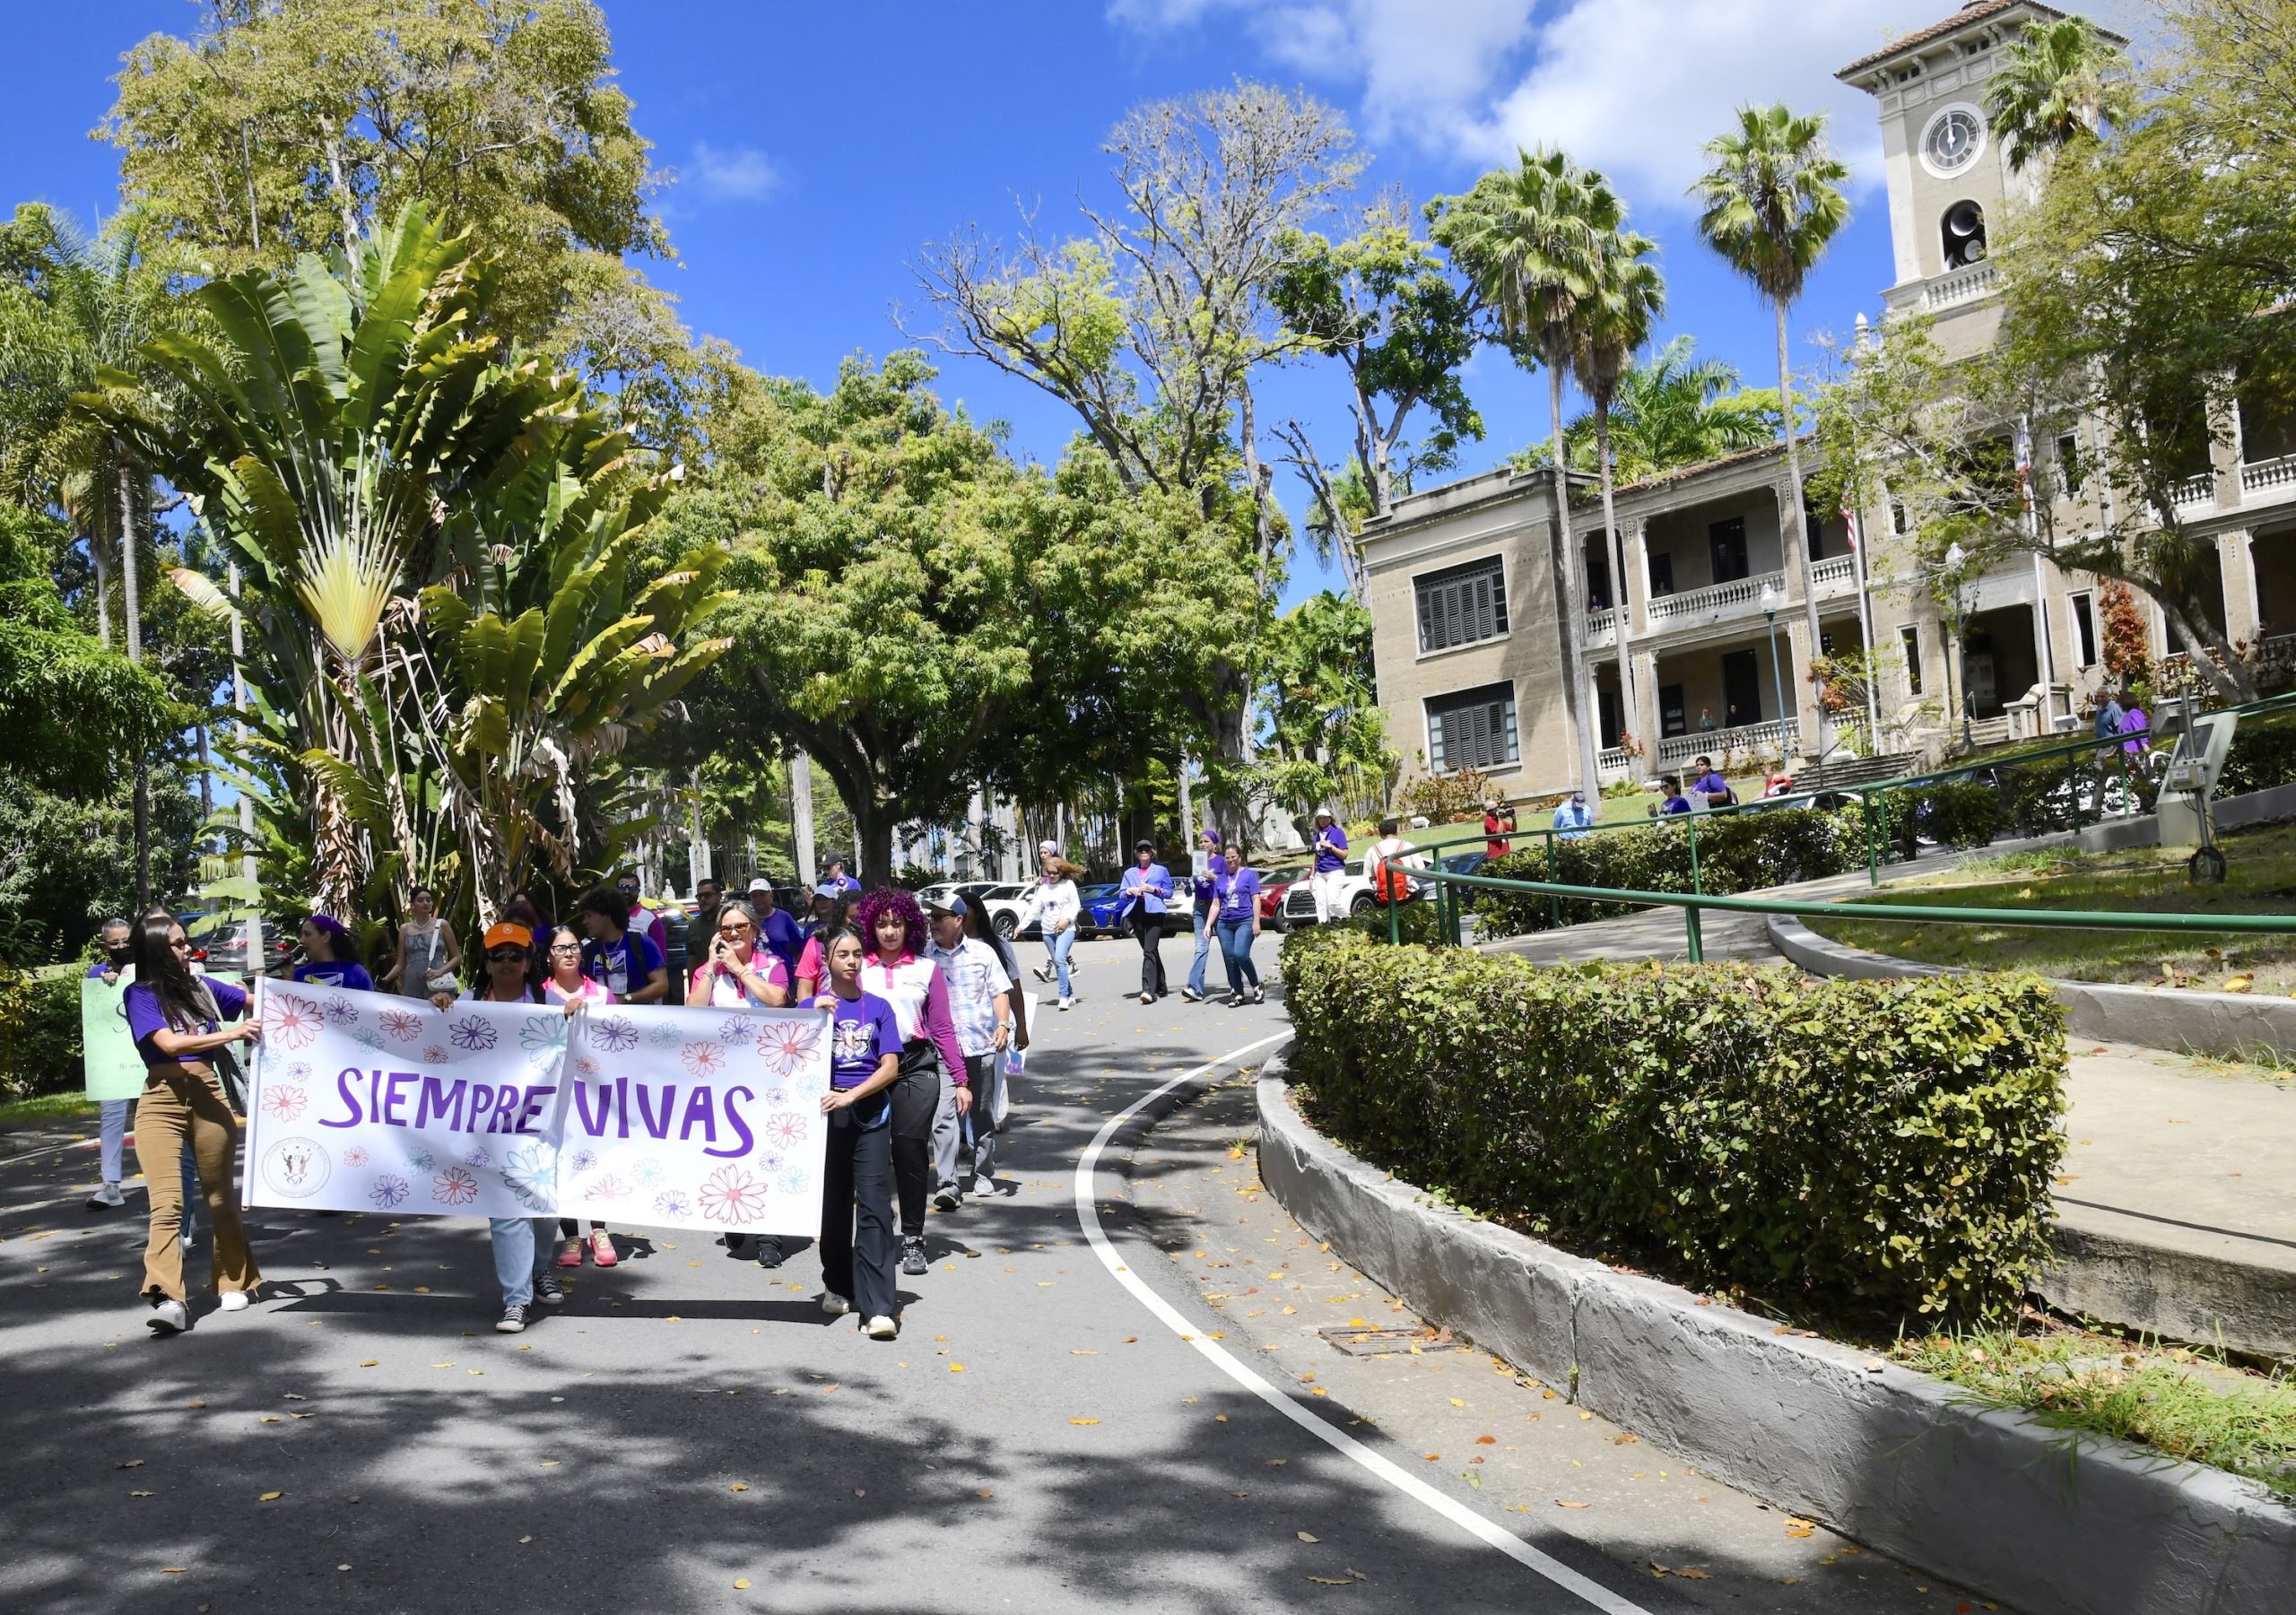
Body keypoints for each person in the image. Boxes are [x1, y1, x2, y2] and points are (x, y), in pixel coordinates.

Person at [121, 912, 263, 1333]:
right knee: (167, 1204)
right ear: (157, 952)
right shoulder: (140, 994)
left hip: (208, 1096)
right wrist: (233, 1034)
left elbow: (265, 1002)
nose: (189, 951)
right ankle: (168, 1299)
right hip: (160, 1101)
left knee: (220, 1198)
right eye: (179, 945)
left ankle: (233, 1281)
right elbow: (170, 1043)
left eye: (186, 943)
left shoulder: (202, 987)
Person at [431, 924, 564, 1331]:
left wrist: (577, 1016)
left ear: (529, 961)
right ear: (485, 962)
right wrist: (436, 1009)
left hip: (540, 1127)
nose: (506, 962)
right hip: (488, 1131)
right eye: (497, 955)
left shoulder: (549, 1002)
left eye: (515, 955)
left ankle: (539, 1268)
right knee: (507, 1212)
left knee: (545, 1208)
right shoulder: (464, 1003)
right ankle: (516, 1299)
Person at [855, 888, 970, 1278]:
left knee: (909, 1150)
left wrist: (961, 1079)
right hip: (866, 1068)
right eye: (882, 924)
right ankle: (875, 1227)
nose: (889, 931)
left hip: (916, 1067)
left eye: (897, 923)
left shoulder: (926, 969)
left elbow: (942, 1027)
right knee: (871, 1153)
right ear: (871, 927)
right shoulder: (859, 968)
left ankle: (914, 1237)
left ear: (910, 926)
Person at [811, 925, 904, 1340]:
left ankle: (879, 1308)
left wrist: (852, 1095)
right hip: (825, 1118)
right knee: (833, 1208)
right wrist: (812, 1015)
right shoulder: (813, 1009)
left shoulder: (879, 1007)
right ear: (827, 961)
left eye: (856, 953)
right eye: (842, 954)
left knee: (874, 1209)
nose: (851, 960)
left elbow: (890, 1066)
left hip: (869, 1114)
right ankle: (837, 1284)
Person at [536, 925, 617, 1270]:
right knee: (561, 1160)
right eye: (559, 948)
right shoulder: (537, 995)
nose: (567, 953)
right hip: (552, 1092)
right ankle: (571, 1233)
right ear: (548, 956)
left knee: (594, 1157)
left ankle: (599, 1230)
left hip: (594, 1092)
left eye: (573, 947)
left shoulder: (602, 993)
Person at [924, 896, 1013, 1207]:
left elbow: (999, 991)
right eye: (930, 916)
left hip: (981, 1044)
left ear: (958, 920)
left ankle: (984, 1172)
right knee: (943, 1116)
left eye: (938, 916)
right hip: (942, 1050)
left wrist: (1003, 1024)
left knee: (983, 1113)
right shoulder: (925, 957)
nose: (932, 922)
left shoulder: (982, 952)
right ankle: (948, 1183)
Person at [688, 899, 791, 1009]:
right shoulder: (707, 971)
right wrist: (710, 968)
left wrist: (739, 969)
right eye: (726, 929)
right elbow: (693, 1010)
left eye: (740, 927)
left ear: (754, 931)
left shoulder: (773, 964)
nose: (733, 933)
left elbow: (778, 1000)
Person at [1017, 841, 1083, 1011]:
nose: (1052, 875)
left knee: (1060, 959)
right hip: (1047, 931)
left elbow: (1076, 906)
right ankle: (1070, 993)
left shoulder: (1068, 885)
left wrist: (1067, 920)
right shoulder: (1043, 889)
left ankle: (1063, 996)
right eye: (1049, 872)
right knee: (1058, 962)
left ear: (1061, 872)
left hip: (1065, 929)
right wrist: (1021, 926)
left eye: (1055, 873)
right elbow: (1034, 909)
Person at [578, 886, 668, 1003]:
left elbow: (662, 985)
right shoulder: (588, 951)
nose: (585, 921)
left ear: (607, 915)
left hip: (638, 1019)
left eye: (589, 915)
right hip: (601, 1020)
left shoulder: (642, 943)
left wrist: (625, 998)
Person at [1117, 838, 1174, 1004]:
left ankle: (1148, 990)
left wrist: (1154, 890)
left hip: (1155, 913)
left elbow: (1169, 892)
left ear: (1152, 852)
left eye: (1147, 849)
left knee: (1148, 951)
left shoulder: (1161, 870)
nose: (1144, 852)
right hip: (1136, 914)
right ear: (1136, 853)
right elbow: (1121, 893)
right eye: (1140, 849)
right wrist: (1130, 891)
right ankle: (1161, 986)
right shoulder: (1129, 873)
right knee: (1151, 950)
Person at [378, 886, 460, 998]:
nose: (425, 903)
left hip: (437, 980)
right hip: (412, 981)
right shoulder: (404, 929)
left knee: (440, 1011)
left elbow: (457, 957)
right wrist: (386, 979)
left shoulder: (442, 925)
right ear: (413, 905)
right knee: (414, 1014)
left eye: (428, 900)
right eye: (420, 900)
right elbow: (400, 963)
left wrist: (440, 971)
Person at [1181, 828, 1226, 1003]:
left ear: (1214, 844)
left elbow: (1228, 883)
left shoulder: (1222, 861)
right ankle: (1195, 988)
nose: (1203, 844)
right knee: (1201, 948)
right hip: (1200, 907)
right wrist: (1187, 885)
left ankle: (1236, 985)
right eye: (1200, 842)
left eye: (1206, 841)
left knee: (1228, 949)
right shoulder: (1198, 861)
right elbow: (1194, 887)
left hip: (1218, 907)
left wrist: (1215, 877)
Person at [1213, 854, 1264, 1005]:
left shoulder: (1249, 875)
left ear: (1240, 858)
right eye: (1227, 858)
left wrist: (1256, 922)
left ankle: (1256, 985)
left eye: (1233, 856)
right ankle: (1237, 992)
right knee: (1229, 957)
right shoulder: (1220, 878)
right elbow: (1216, 904)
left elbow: (1256, 899)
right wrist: (1208, 925)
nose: (1230, 860)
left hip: (1245, 920)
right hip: (1225, 923)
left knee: (1240, 954)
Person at [744, 877, 806, 985]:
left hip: (784, 979)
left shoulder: (784, 917)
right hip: (754, 981)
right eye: (754, 895)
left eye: (762, 894)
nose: (758, 898)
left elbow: (798, 950)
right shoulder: (746, 920)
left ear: (771, 896)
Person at [291, 915, 374, 993]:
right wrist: (289, 979)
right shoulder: (298, 974)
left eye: (307, 934)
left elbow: (369, 1005)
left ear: (326, 937)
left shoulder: (356, 973)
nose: (301, 940)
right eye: (301, 935)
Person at [1309, 809, 1350, 925]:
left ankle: (1349, 919)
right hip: (1320, 873)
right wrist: (1311, 877)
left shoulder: (1338, 833)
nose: (1322, 820)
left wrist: (1330, 846)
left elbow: (1344, 855)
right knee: (1320, 903)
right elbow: (1316, 858)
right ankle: (1324, 927)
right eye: (1320, 818)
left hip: (1335, 871)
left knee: (1332, 902)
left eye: (1325, 818)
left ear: (1330, 819)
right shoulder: (1317, 836)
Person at [1366, 818, 1419, 906]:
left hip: (1384, 896)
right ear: (1396, 832)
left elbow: (1369, 877)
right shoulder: (1407, 846)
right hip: (1407, 893)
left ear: (1380, 834)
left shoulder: (1372, 850)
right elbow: (1420, 869)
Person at [1483, 796, 1517, 860]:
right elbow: (1499, 834)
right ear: (1489, 811)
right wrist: (1500, 818)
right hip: (1495, 856)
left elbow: (1513, 829)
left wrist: (1513, 818)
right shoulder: (1488, 820)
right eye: (1495, 808)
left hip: (1505, 854)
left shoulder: (1498, 821)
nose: (1498, 810)